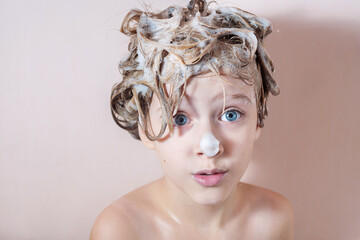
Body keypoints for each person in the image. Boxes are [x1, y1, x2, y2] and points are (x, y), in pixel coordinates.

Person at [90, 0, 294, 239]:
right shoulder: (120, 231)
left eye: (231, 114)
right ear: (145, 127)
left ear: (258, 119)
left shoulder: (273, 220)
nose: (210, 147)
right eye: (179, 118)